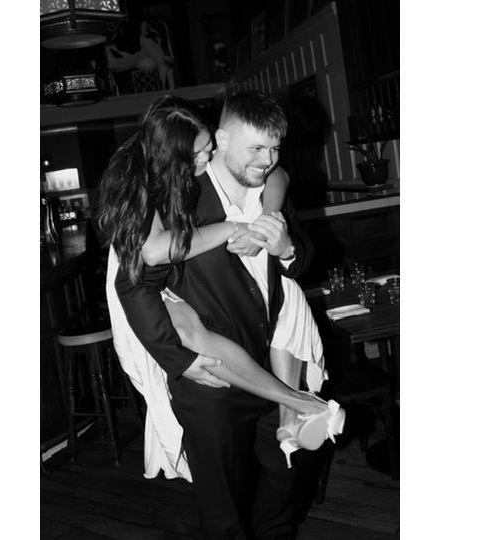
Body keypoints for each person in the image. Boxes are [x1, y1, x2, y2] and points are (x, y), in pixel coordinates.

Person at [100, 93, 329, 538]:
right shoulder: (179, 193)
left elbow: (301, 258)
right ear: (222, 141)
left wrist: (286, 247)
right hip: (214, 380)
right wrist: (177, 358)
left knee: (286, 480)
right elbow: (133, 284)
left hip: (278, 357)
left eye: (274, 148)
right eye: (256, 148)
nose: (267, 160)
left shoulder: (272, 185)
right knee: (224, 507)